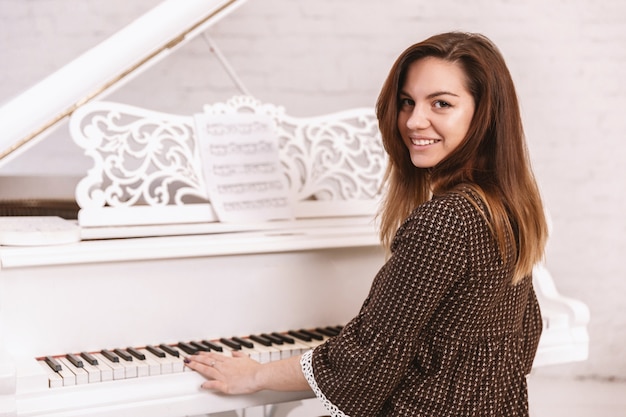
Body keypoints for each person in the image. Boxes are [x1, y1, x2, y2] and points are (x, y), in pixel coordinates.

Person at [185, 31, 548, 417]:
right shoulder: (505, 208)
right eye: (407, 102)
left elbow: (366, 357)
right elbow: (524, 338)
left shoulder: (446, 219)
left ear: (484, 114)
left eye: (441, 104)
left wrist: (256, 375)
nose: (413, 121)